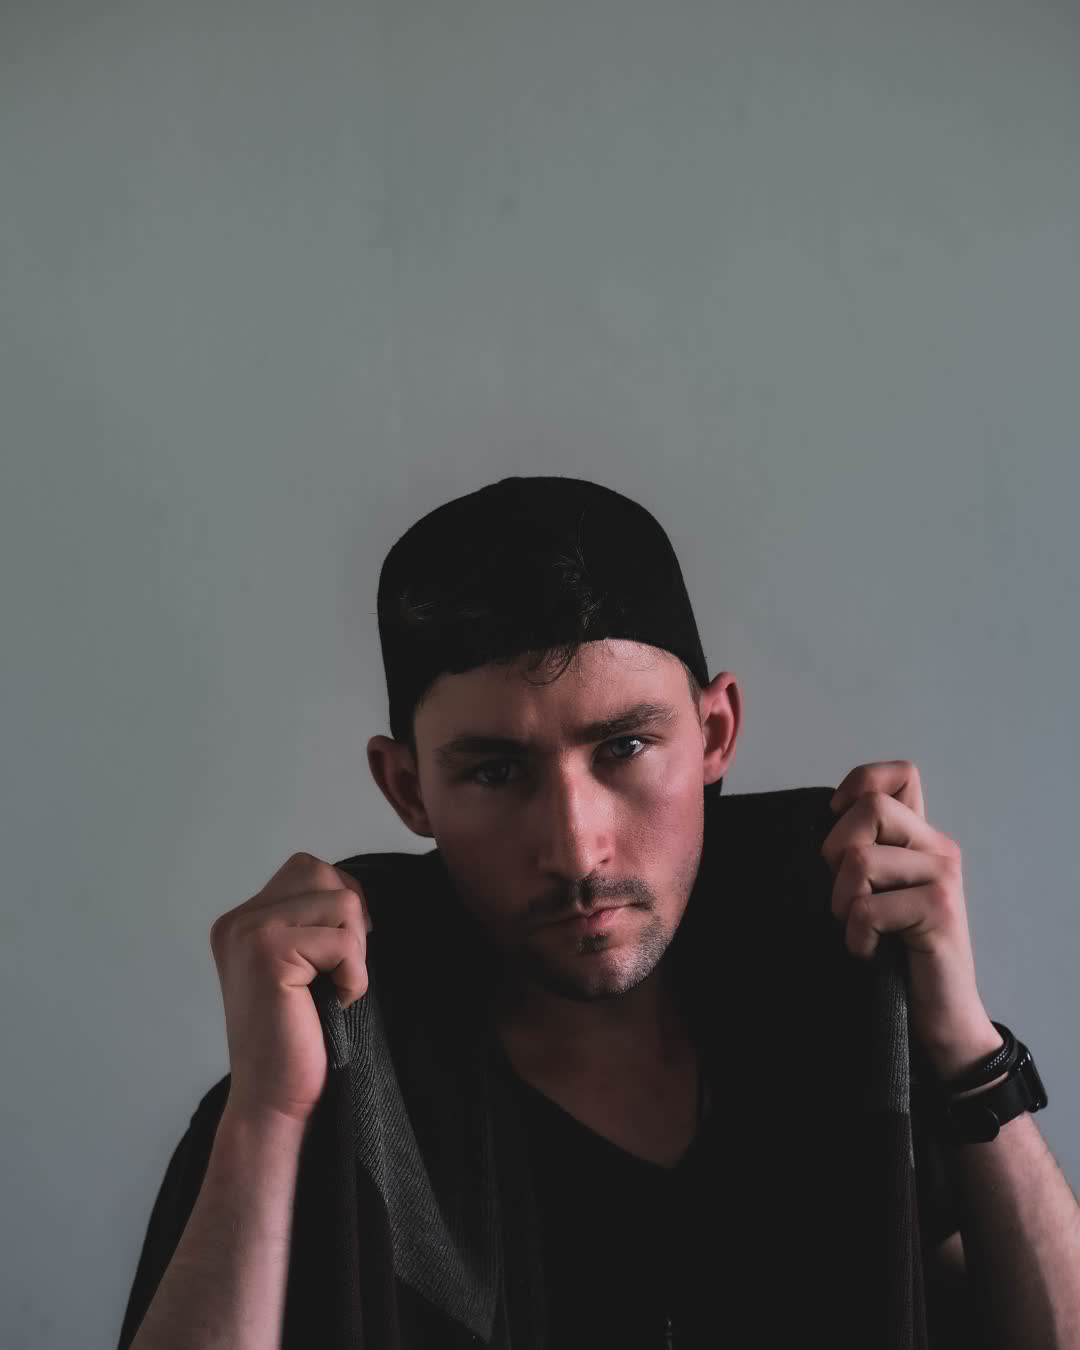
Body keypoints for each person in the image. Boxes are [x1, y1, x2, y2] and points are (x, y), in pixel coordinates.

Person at [118, 476, 1080, 1350]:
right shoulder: (334, 1094)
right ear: (409, 791)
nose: (578, 850)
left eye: (623, 748)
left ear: (714, 734)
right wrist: (266, 1116)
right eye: (496, 772)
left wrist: (960, 1039)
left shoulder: (839, 1026)